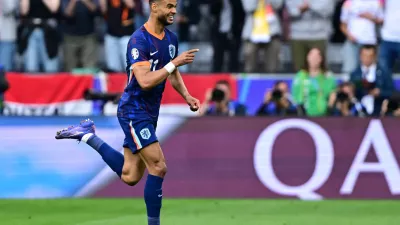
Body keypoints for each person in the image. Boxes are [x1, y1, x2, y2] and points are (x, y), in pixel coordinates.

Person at [55, 1, 201, 225]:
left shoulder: (171, 39)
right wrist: (175, 63)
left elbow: (172, 73)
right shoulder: (138, 40)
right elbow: (143, 81)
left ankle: (87, 135)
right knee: (158, 166)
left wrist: (187, 95)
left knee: (130, 176)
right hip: (133, 110)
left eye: (175, 5)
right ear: (154, 6)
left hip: (150, 112)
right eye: (169, 6)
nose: (174, 10)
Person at [291, 47, 337, 116]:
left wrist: (329, 109)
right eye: (311, 55)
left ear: (321, 59)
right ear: (307, 58)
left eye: (317, 56)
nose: (314, 59)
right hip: (305, 115)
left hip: (324, 115)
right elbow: (296, 95)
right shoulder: (300, 76)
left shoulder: (327, 76)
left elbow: (332, 93)